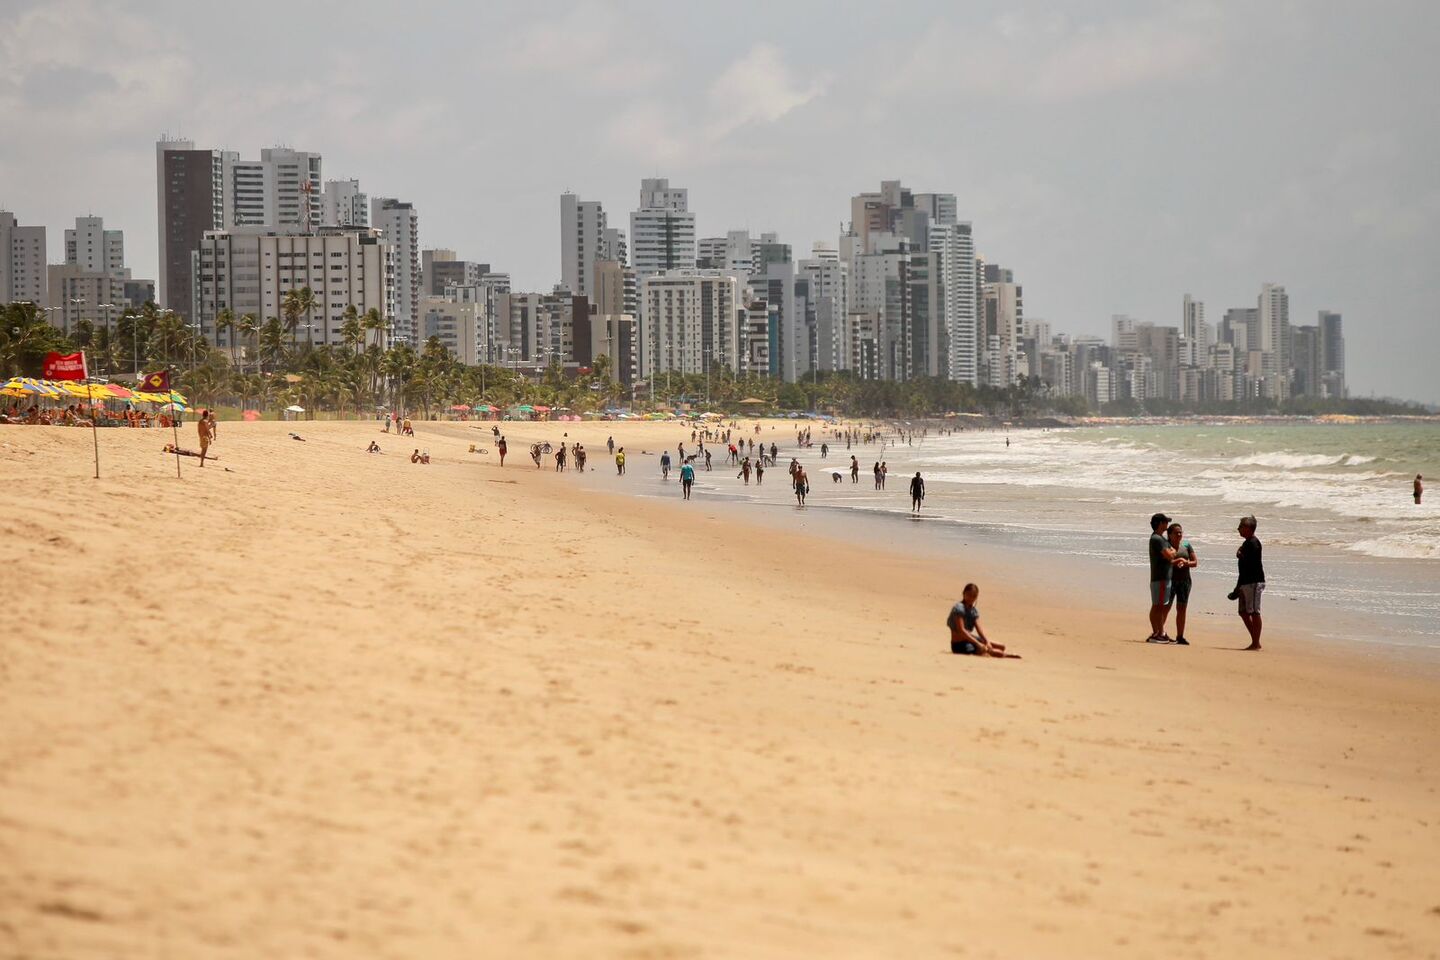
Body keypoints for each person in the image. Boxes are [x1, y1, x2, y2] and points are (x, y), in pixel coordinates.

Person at [946, 584, 1017, 658]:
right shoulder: (958, 608)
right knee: (994, 652)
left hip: (970, 639)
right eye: (969, 595)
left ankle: (997, 652)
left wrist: (987, 641)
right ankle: (1007, 656)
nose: (971, 598)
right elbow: (962, 630)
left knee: (1002, 647)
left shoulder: (973, 611)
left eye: (974, 596)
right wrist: (978, 644)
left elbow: (979, 630)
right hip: (959, 644)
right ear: (964, 594)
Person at [1231, 515, 1265, 651]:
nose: (1238, 529)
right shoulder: (1247, 543)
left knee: (1254, 612)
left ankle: (1255, 643)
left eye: (1241, 527)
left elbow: (1250, 564)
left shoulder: (1253, 543)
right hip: (1245, 582)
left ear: (1248, 528)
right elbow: (1243, 566)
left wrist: (1240, 554)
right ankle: (1255, 640)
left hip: (1254, 582)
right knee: (1243, 612)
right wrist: (1238, 587)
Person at [1147, 512, 1179, 643]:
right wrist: (1172, 552)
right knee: (1158, 606)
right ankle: (1158, 633)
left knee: (1159, 606)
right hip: (1160, 577)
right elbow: (1170, 555)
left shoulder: (1161, 539)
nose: (1167, 524)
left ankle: (1159, 632)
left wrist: (1172, 551)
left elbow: (1172, 551)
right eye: (1166, 522)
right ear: (1160, 524)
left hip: (1162, 577)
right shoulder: (1157, 539)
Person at [1167, 522, 1198, 646]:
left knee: (1182, 609)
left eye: (1181, 532)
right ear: (1169, 534)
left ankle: (1180, 636)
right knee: (1166, 608)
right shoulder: (1166, 546)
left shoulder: (1186, 545)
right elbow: (1164, 562)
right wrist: (1176, 562)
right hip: (1170, 580)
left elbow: (1195, 562)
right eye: (1176, 532)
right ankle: (1160, 633)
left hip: (1185, 581)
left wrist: (1185, 563)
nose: (1179, 534)